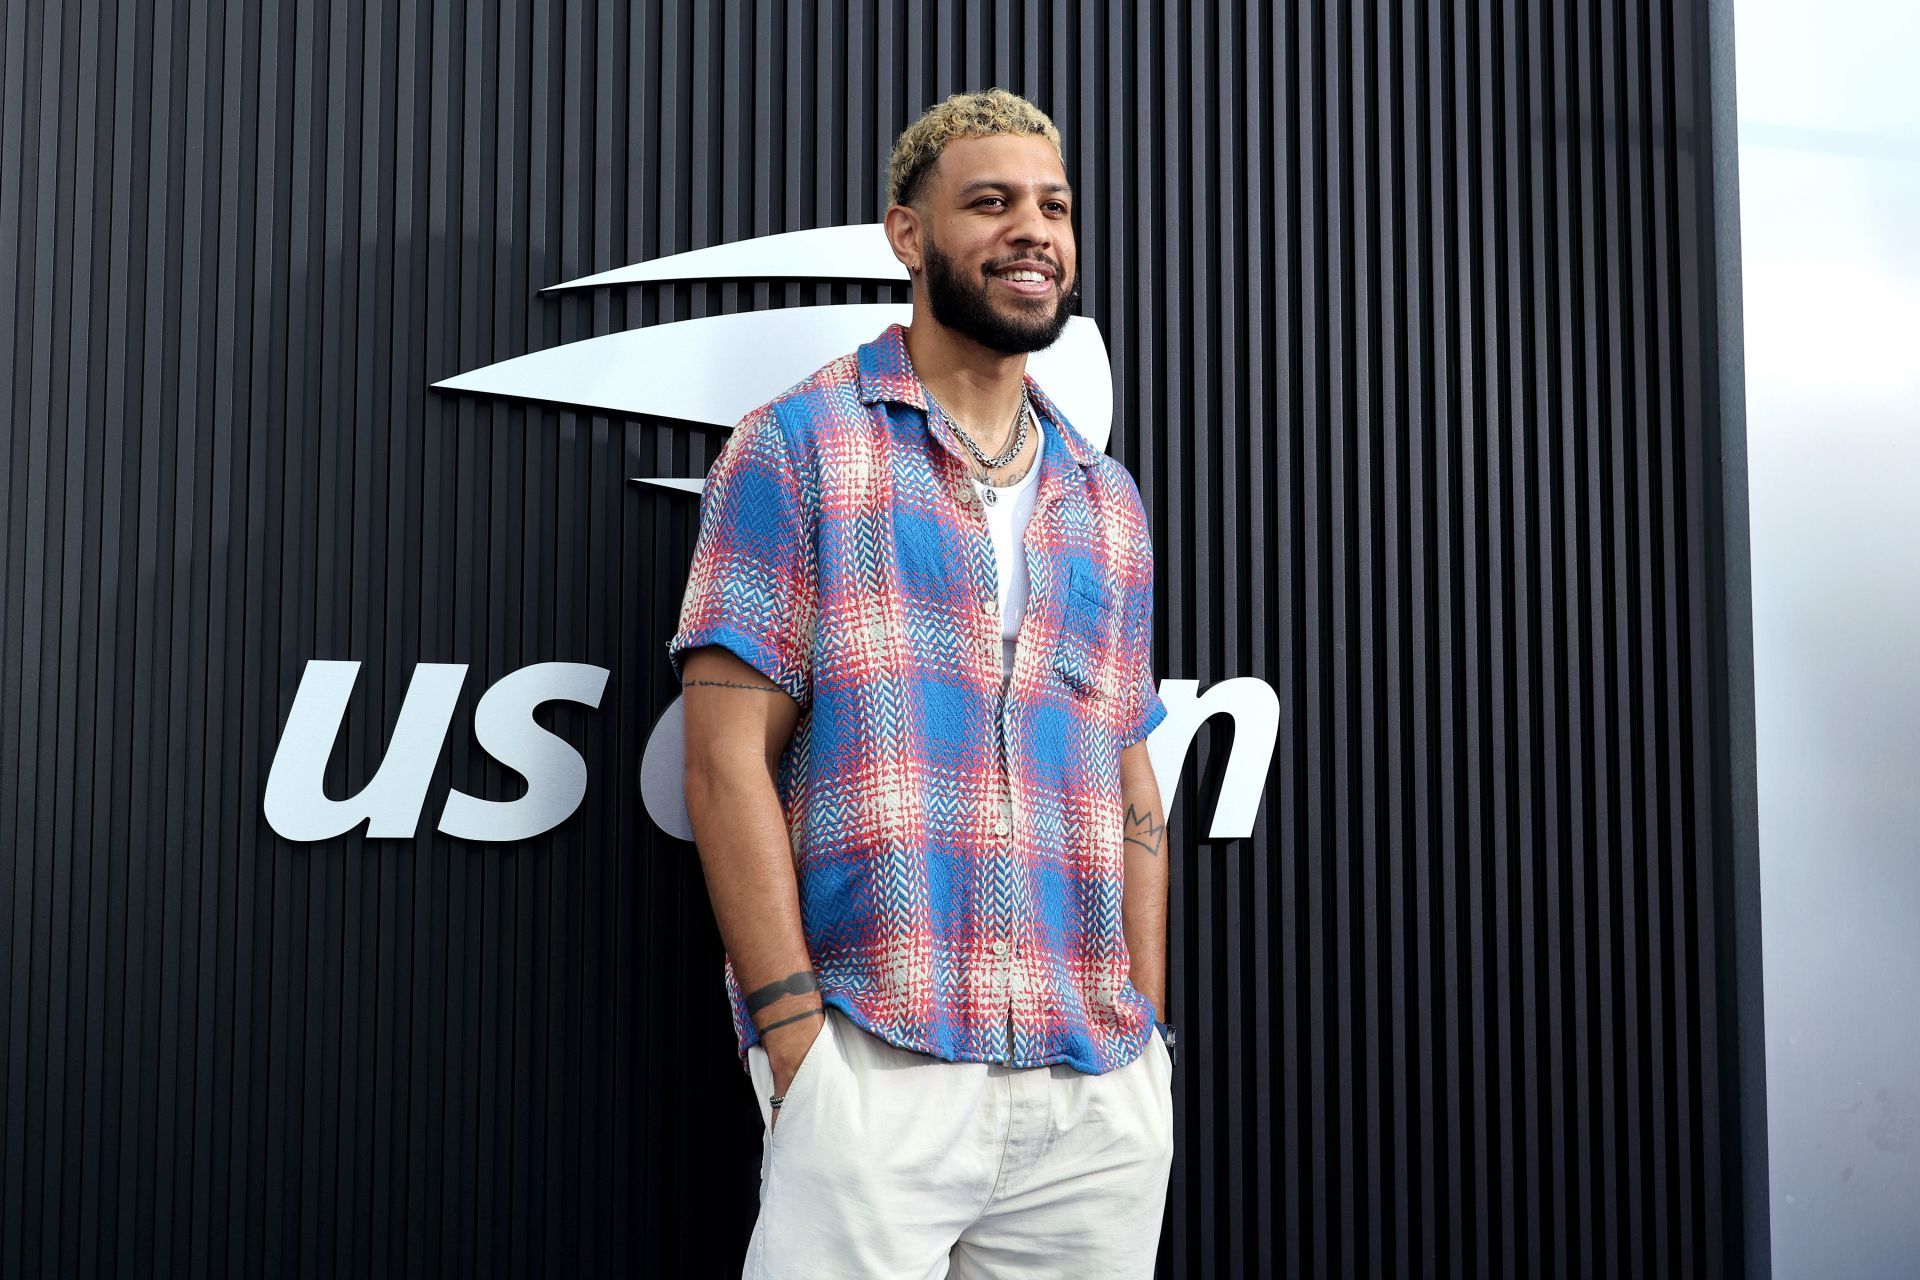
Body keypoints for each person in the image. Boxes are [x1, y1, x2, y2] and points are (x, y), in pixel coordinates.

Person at [669, 88, 1175, 1280]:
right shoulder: (798, 447)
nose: (1032, 232)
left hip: (1091, 1090)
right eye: (990, 203)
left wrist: (1147, 1026)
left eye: (1052, 206)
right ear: (908, 234)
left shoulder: (1106, 499)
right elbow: (722, 756)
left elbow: (1128, 769)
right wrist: (795, 1035)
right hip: (877, 1058)